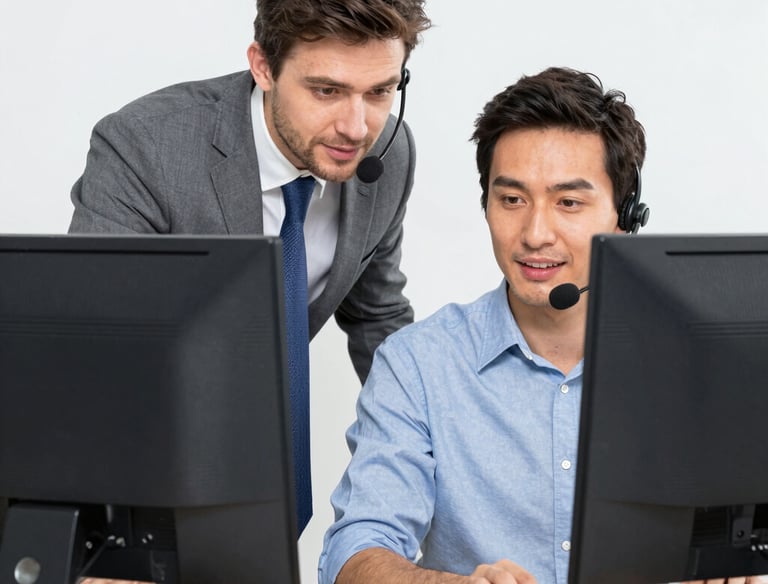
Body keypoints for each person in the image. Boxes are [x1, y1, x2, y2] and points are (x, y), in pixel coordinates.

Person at [318, 67, 767, 584]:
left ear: (625, 214)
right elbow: (355, 550)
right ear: (485, 205)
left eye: (569, 202)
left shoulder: (702, 363)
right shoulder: (418, 363)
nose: (534, 233)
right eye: (512, 199)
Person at [67, 0, 431, 540]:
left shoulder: (389, 155)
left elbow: (378, 317)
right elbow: (91, 350)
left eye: (380, 91)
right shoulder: (146, 147)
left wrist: (446, 450)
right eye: (327, 90)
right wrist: (98, 537)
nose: (357, 128)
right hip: (144, 458)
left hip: (261, 472)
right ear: (263, 66)